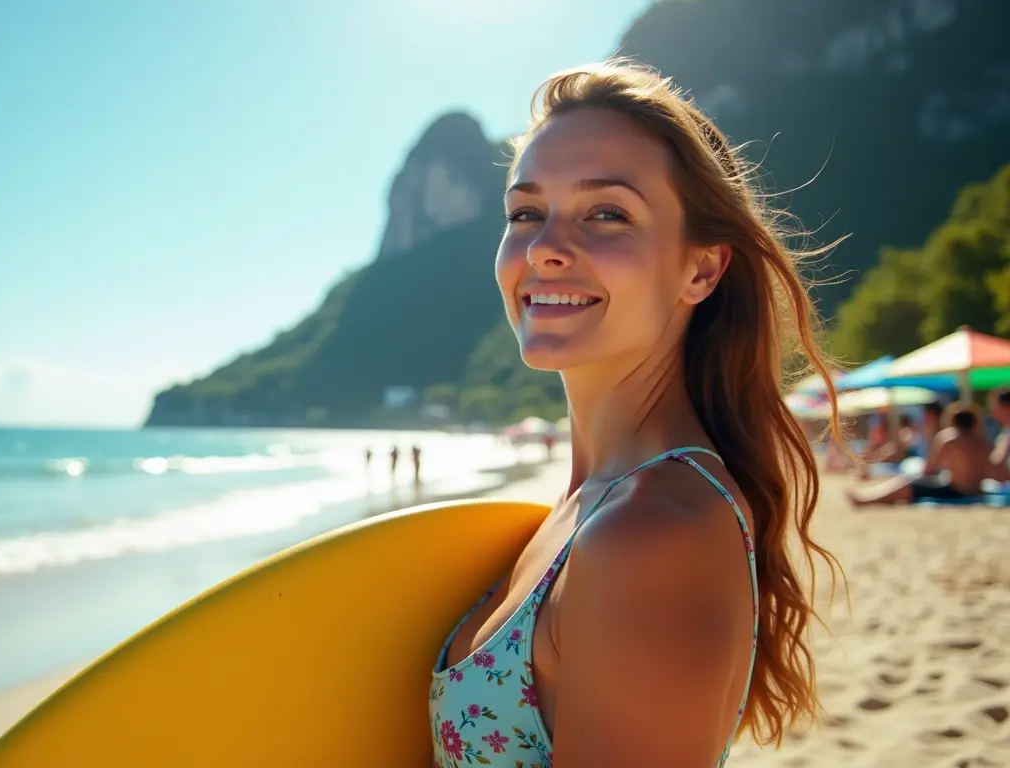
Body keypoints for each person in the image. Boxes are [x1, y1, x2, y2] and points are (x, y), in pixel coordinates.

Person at [429, 59, 843, 768]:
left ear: (701, 269)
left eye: (606, 213)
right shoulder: (597, 508)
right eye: (526, 213)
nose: (546, 248)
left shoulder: (649, 534)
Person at [848, 402, 1008, 505]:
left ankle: (866, 499)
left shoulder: (948, 437)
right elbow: (989, 469)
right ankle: (866, 498)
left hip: (955, 490)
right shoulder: (982, 441)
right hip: (976, 490)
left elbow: (928, 469)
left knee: (906, 483)